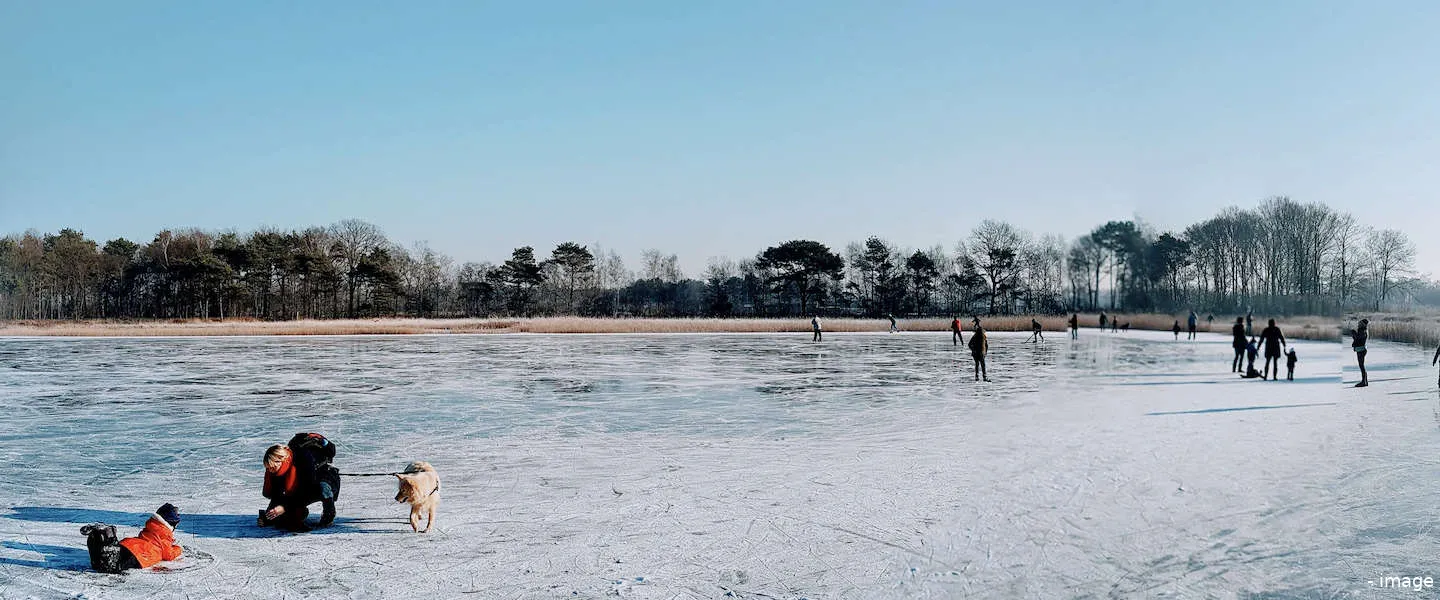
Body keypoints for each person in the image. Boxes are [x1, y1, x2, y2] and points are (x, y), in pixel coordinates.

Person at [259, 433, 340, 532]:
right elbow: (277, 495)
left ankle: (329, 513)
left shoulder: (304, 459)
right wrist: (268, 517)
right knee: (281, 519)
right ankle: (300, 513)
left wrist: (284, 507)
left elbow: (305, 491)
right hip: (303, 489)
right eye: (269, 468)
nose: (271, 470)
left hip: (321, 481)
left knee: (324, 488)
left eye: (273, 467)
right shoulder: (276, 471)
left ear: (282, 460)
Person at [80, 504, 182, 573]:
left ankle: (98, 536)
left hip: (131, 544)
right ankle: (105, 535)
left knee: (101, 560)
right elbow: (168, 555)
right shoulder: (164, 534)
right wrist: (178, 548)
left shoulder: (152, 527)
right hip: (141, 555)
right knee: (113, 566)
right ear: (171, 523)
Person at [1352, 318, 1369, 387]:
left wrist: (1353, 333)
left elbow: (1358, 338)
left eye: (1360, 323)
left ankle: (1363, 382)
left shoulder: (1363, 330)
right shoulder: (1363, 330)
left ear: (1363, 324)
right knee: (1362, 365)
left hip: (1361, 350)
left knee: (1361, 366)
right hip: (1361, 349)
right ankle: (1365, 381)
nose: (1358, 324)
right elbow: (1358, 339)